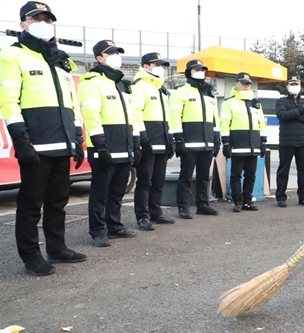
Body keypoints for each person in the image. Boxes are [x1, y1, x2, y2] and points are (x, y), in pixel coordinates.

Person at [0, 1, 86, 275]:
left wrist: (77, 137)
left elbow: (72, 103)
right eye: (37, 18)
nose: (44, 23)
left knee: (58, 201)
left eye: (48, 19)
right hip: (36, 145)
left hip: (62, 143)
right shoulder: (12, 56)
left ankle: (57, 248)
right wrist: (21, 140)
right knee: (30, 204)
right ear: (23, 24)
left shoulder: (60, 60)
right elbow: (8, 101)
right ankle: (30, 256)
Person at [78, 39, 139, 247]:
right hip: (105, 145)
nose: (116, 56)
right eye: (111, 53)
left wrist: (135, 142)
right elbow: (91, 113)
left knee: (117, 190)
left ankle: (114, 225)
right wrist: (99, 143)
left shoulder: (121, 83)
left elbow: (130, 116)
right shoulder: (91, 81)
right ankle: (98, 230)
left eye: (117, 53)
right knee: (100, 191)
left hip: (123, 145)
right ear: (99, 58)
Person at [169, 59, 220, 219]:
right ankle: (183, 207)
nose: (201, 72)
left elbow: (215, 117)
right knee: (186, 176)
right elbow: (174, 116)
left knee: (204, 177)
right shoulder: (181, 91)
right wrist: (178, 139)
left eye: (202, 69)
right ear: (189, 72)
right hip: (189, 143)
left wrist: (217, 138)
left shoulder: (209, 93)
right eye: (196, 69)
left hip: (207, 143)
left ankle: (202, 205)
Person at [130, 52, 175, 230]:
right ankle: (142, 216)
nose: (160, 68)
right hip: (147, 142)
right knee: (144, 181)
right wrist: (143, 138)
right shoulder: (139, 86)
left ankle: (156, 212)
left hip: (162, 141)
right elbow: (136, 113)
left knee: (158, 181)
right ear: (146, 66)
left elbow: (167, 117)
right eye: (157, 65)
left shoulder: (161, 89)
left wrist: (170, 139)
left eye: (161, 65)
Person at [220, 72, 266, 212]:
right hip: (238, 144)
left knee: (251, 175)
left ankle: (247, 201)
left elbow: (261, 123)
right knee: (236, 175)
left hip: (253, 144)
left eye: (248, 84)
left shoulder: (256, 103)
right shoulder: (229, 102)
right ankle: (237, 201)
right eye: (243, 83)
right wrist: (226, 143)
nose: (246, 86)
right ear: (236, 84)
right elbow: (224, 123)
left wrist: (263, 141)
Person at [274, 75, 304, 208]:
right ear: (286, 87)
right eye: (291, 84)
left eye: (297, 84)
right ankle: (281, 197)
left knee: (302, 170)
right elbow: (282, 116)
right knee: (283, 170)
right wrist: (299, 112)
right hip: (286, 141)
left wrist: (294, 114)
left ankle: (303, 197)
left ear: (301, 86)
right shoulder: (281, 101)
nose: (294, 87)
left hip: (303, 141)